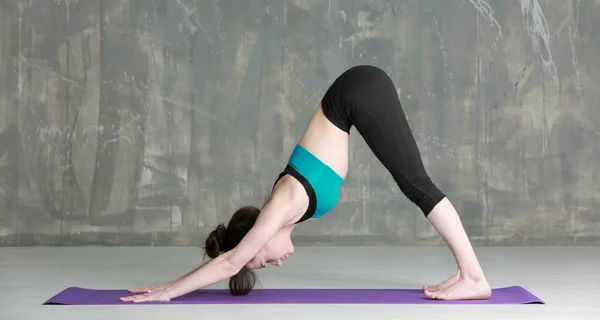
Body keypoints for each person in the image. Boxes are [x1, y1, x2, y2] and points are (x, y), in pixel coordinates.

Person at [121, 65, 492, 303]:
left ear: (257, 236)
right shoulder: (289, 212)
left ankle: (473, 277)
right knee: (414, 184)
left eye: (262, 259)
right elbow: (231, 259)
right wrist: (171, 284)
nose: (275, 262)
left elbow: (230, 263)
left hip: (356, 92)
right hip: (354, 96)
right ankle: (465, 274)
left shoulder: (281, 204)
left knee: (416, 185)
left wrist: (168, 291)